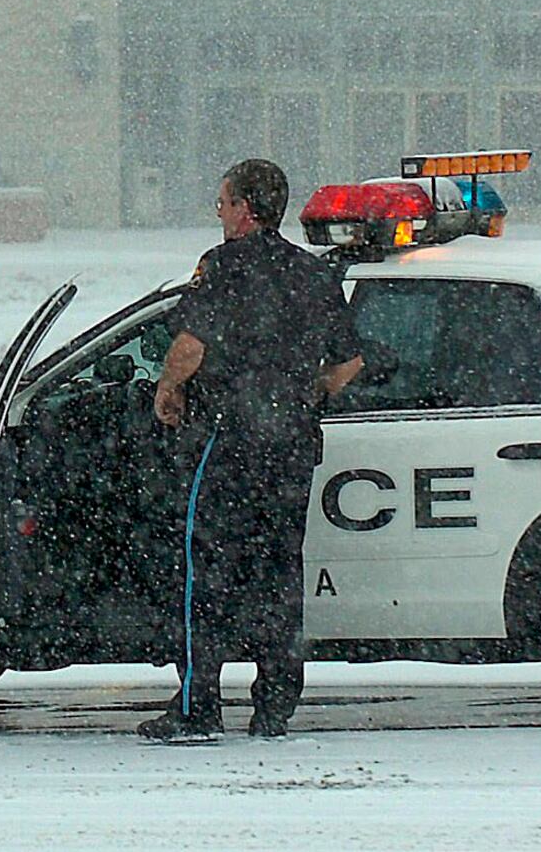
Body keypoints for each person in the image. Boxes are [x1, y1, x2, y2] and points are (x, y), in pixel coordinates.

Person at [138, 158, 364, 743]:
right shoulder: (313, 275)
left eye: (222, 203)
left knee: (204, 574)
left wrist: (168, 389)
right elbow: (350, 362)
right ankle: (275, 707)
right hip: (290, 448)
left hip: (229, 442)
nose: (218, 214)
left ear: (244, 209)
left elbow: (189, 344)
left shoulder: (224, 267)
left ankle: (197, 706)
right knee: (279, 575)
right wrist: (302, 396)